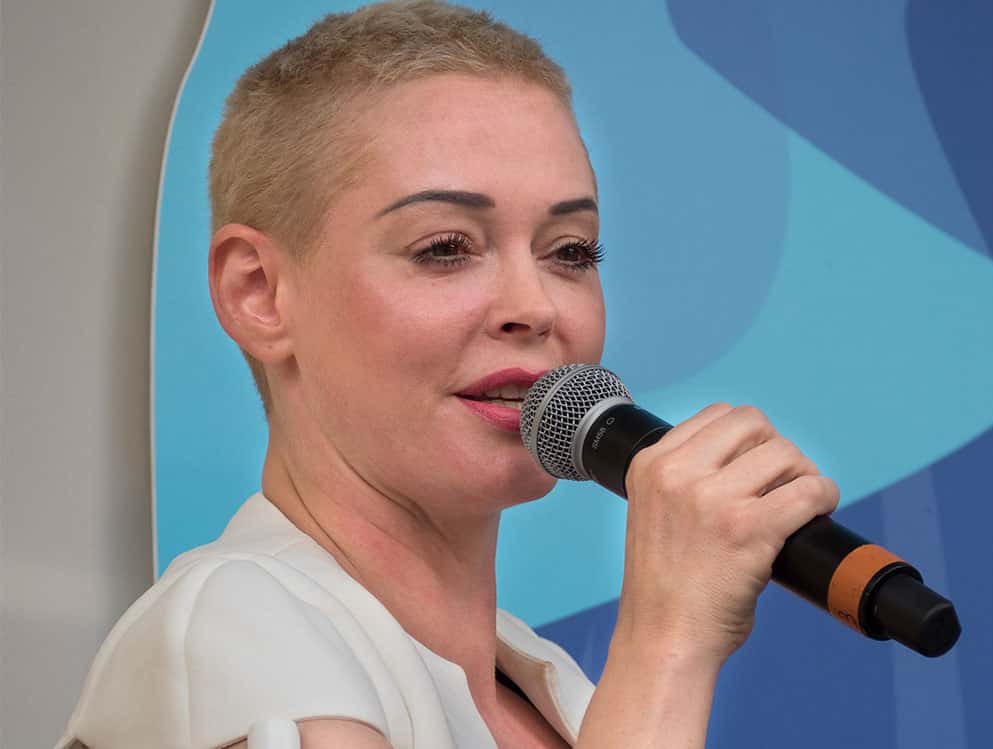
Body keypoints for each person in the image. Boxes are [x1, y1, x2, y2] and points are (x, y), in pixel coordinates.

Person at [56, 2, 840, 747]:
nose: (534, 306)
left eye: (571, 251)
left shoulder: (555, 689)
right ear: (259, 292)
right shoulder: (231, 626)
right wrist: (668, 641)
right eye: (445, 247)